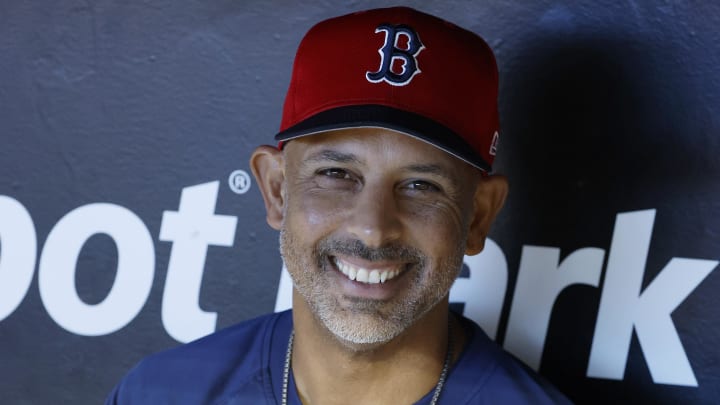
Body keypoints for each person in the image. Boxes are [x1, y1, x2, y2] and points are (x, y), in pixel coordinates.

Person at [106, 6, 572, 404]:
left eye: (420, 186)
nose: (373, 228)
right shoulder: (160, 392)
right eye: (336, 174)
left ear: (479, 216)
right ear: (276, 189)